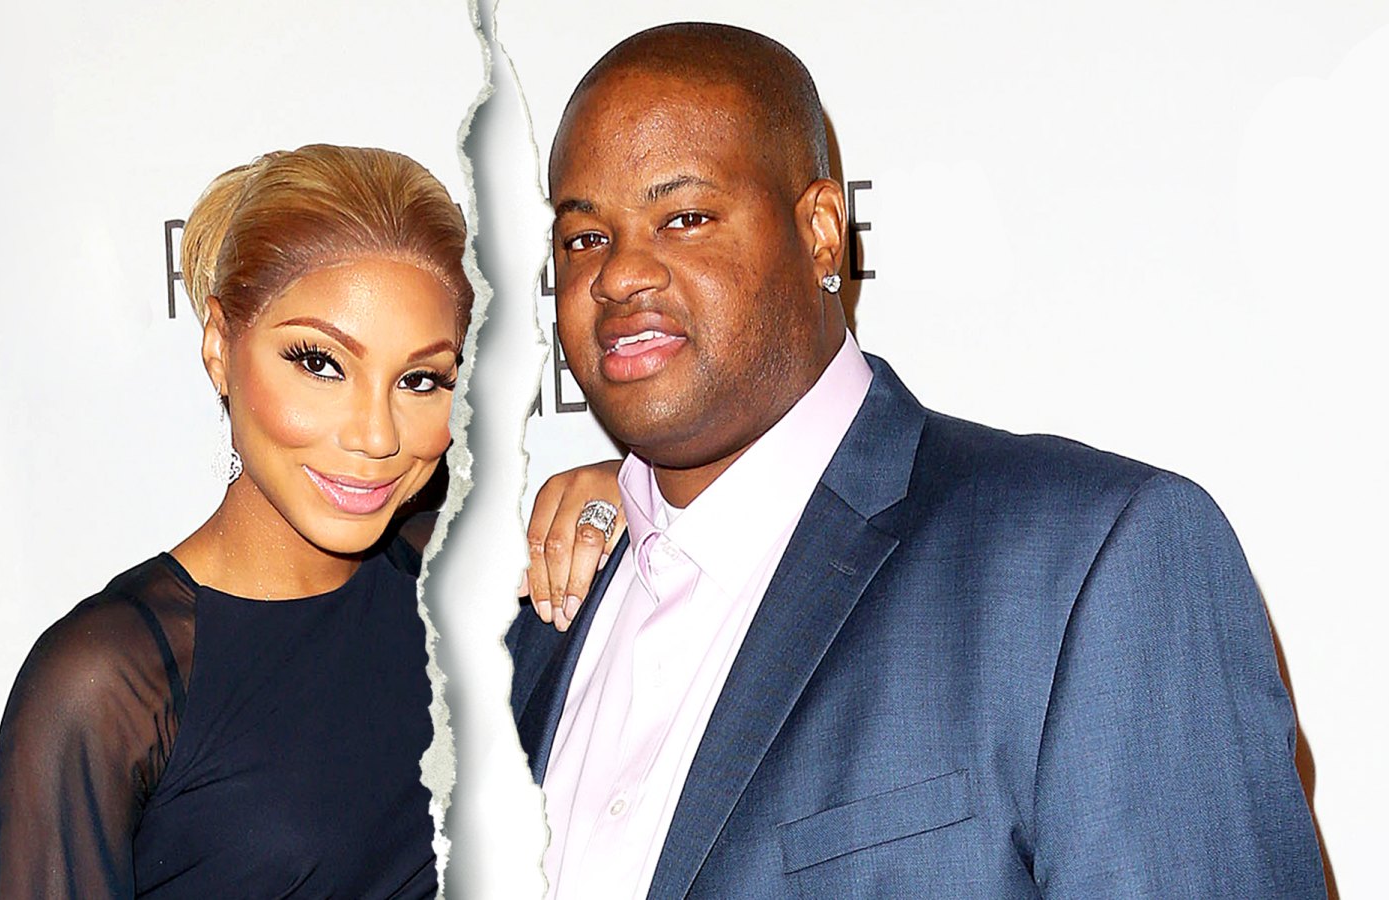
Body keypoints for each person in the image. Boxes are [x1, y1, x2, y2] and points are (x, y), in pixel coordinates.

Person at [507, 22, 1327, 899]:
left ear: (822, 231)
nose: (620, 274)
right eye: (584, 237)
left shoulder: (1090, 560)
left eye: (687, 217)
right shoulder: (530, 619)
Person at [0, 144, 472, 899]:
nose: (376, 435)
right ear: (219, 348)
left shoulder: (468, 577)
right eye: (321, 364)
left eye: (420, 379)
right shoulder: (107, 681)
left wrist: (608, 491)